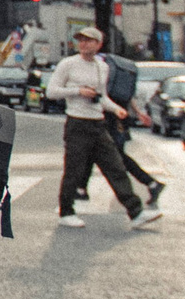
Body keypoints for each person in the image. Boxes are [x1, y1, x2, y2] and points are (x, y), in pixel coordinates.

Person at [46, 26, 160, 230]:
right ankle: (66, 211)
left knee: (115, 166)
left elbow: (102, 96)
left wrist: (116, 110)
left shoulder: (102, 67)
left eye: (89, 40)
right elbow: (51, 92)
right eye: (80, 40)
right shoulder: (68, 64)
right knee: (74, 169)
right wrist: (78, 91)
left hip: (98, 123)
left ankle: (136, 212)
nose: (83, 44)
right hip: (77, 122)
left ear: (99, 44)